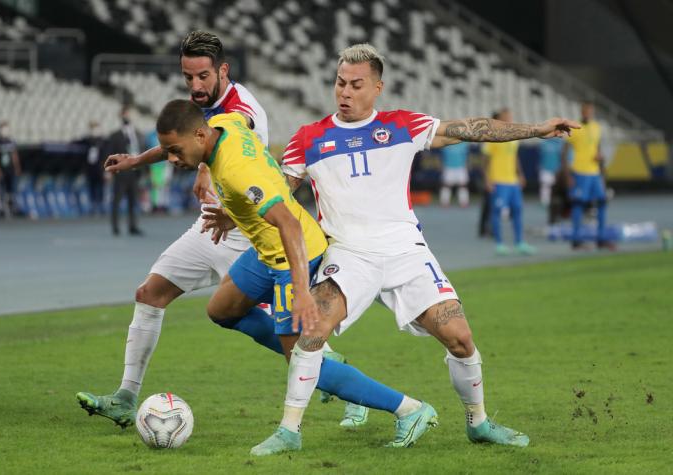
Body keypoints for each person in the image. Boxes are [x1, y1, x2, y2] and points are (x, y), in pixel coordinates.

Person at [231, 43, 579, 455]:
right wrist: (234, 208)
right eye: (340, 83)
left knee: (461, 339)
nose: (344, 91)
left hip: (406, 252)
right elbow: (277, 197)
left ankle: (479, 422)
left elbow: (469, 128)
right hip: (348, 254)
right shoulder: (308, 139)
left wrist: (535, 129)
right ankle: (289, 430)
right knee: (312, 331)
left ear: (377, 87)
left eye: (356, 85)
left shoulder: (403, 126)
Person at [77, 31, 368, 429]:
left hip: (253, 233)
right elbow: (179, 141)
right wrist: (135, 161)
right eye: (187, 77)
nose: (195, 86)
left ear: (222, 71)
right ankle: (127, 397)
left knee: (295, 336)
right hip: (211, 225)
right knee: (150, 293)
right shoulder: (198, 114)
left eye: (202, 77)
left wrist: (201, 170)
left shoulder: (240, 104)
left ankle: (351, 392)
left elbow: (225, 139)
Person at [162, 101, 432, 452]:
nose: (170, 159)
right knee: (222, 310)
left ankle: (408, 409)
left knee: (301, 361)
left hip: (294, 254)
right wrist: (139, 161)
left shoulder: (236, 171)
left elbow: (287, 223)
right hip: (267, 249)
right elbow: (237, 123)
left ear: (200, 135)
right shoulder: (225, 121)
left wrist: (301, 291)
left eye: (174, 151)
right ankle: (325, 364)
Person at [562, 101, 615, 250]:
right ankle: (576, 240)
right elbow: (564, 153)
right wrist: (567, 176)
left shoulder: (597, 127)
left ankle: (601, 238)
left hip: (594, 173)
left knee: (602, 202)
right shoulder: (574, 127)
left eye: (590, 111)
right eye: (585, 111)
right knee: (578, 204)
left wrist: (601, 163)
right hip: (579, 172)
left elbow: (597, 149)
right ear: (581, 112)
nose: (588, 113)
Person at [482, 109, 536, 256]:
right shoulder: (491, 135)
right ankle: (499, 243)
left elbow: (515, 157)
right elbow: (485, 160)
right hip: (498, 180)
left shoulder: (513, 136)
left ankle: (519, 243)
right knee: (497, 212)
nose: (510, 118)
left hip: (513, 181)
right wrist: (487, 179)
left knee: (518, 210)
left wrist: (520, 174)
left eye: (510, 116)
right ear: (499, 118)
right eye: (506, 116)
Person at [107, 106, 144, 235]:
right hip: (121, 173)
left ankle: (133, 225)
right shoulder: (115, 135)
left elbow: (142, 151)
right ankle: (115, 226)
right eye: (124, 115)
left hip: (135, 172)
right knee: (117, 200)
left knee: (133, 201)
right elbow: (110, 154)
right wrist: (109, 171)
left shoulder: (138, 134)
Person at [0, 121, 21, 218]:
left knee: (11, 189)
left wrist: (17, 167)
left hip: (10, 169)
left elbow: (14, 155)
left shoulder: (11, 141)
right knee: (1, 189)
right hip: (1, 169)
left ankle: (11, 207)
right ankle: (1, 208)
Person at [81, 120, 107, 215]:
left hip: (100, 168)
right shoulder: (87, 141)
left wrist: (106, 170)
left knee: (101, 188)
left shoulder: (103, 141)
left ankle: (101, 207)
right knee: (91, 188)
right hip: (90, 169)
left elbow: (106, 155)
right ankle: (93, 207)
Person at [439, 141, 470, 207]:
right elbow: (442, 156)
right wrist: (442, 166)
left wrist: (466, 166)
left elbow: (466, 156)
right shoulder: (445, 141)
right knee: (446, 185)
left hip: (461, 167)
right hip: (448, 166)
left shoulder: (464, 143)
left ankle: (463, 202)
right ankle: (444, 202)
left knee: (463, 185)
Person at [538, 136, 564, 207]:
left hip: (556, 169)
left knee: (555, 187)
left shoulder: (560, 143)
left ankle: (555, 203)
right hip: (545, 168)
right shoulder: (544, 143)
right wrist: (540, 166)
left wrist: (560, 168)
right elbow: (541, 156)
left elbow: (562, 157)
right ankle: (545, 202)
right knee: (545, 185)